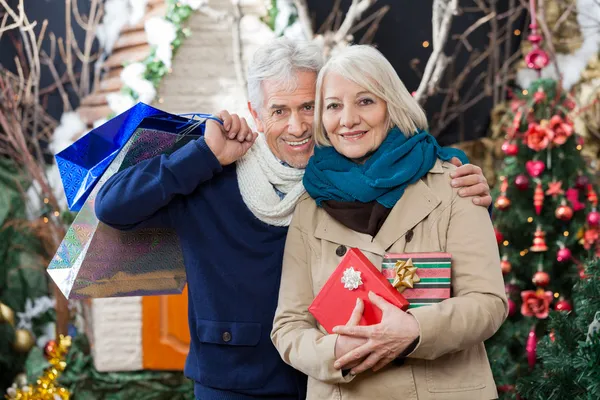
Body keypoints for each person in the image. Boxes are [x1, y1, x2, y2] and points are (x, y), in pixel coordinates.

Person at [95, 38, 493, 400]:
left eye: (309, 107)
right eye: (279, 111)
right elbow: (112, 206)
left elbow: (416, 189)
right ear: (255, 112)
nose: (297, 126)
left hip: (332, 379)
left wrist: (462, 181)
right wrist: (203, 156)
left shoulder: (344, 173)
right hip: (235, 382)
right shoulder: (211, 174)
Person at [270, 44, 507, 400]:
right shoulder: (310, 204)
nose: (347, 119)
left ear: (392, 106)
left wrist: (414, 330)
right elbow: (288, 327)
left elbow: (489, 302)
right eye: (333, 106)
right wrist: (333, 352)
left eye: (365, 101)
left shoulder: (453, 183)